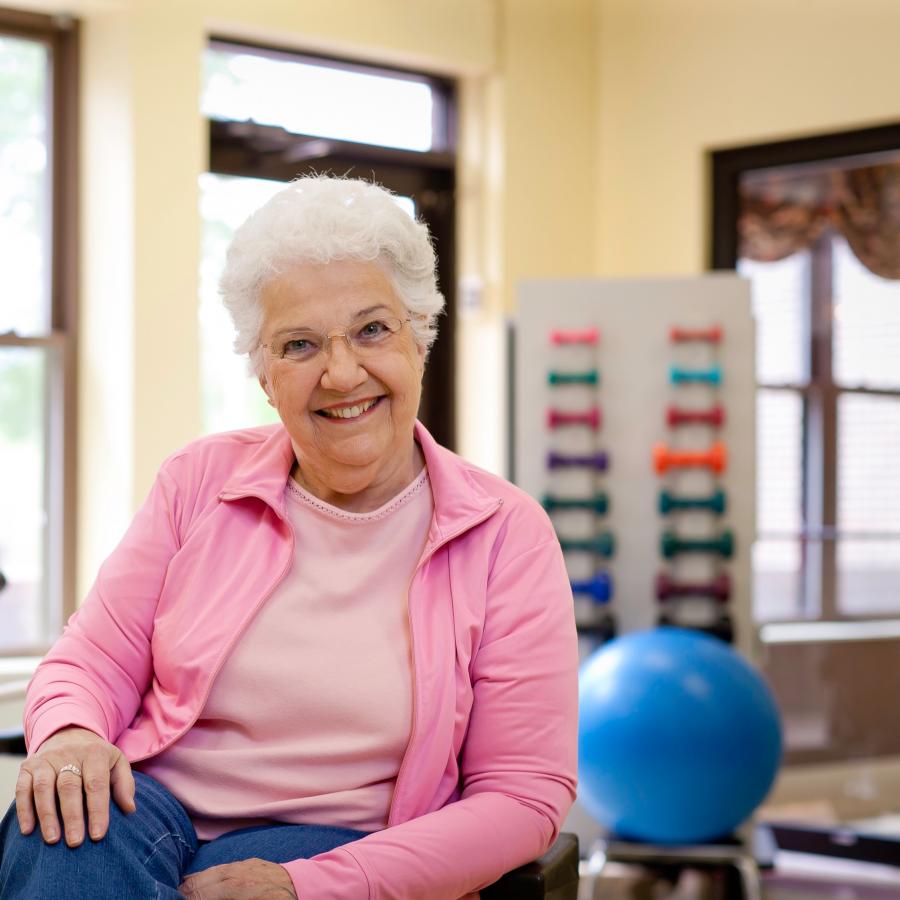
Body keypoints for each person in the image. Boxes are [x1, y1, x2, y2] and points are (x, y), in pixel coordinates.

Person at [0, 176, 578, 899]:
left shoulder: (506, 533)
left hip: (344, 840)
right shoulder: (197, 480)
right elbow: (92, 657)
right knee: (58, 823)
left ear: (420, 338)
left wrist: (307, 885)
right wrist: (70, 735)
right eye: (299, 345)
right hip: (154, 808)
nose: (341, 372)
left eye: (372, 330)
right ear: (265, 376)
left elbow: (522, 796)